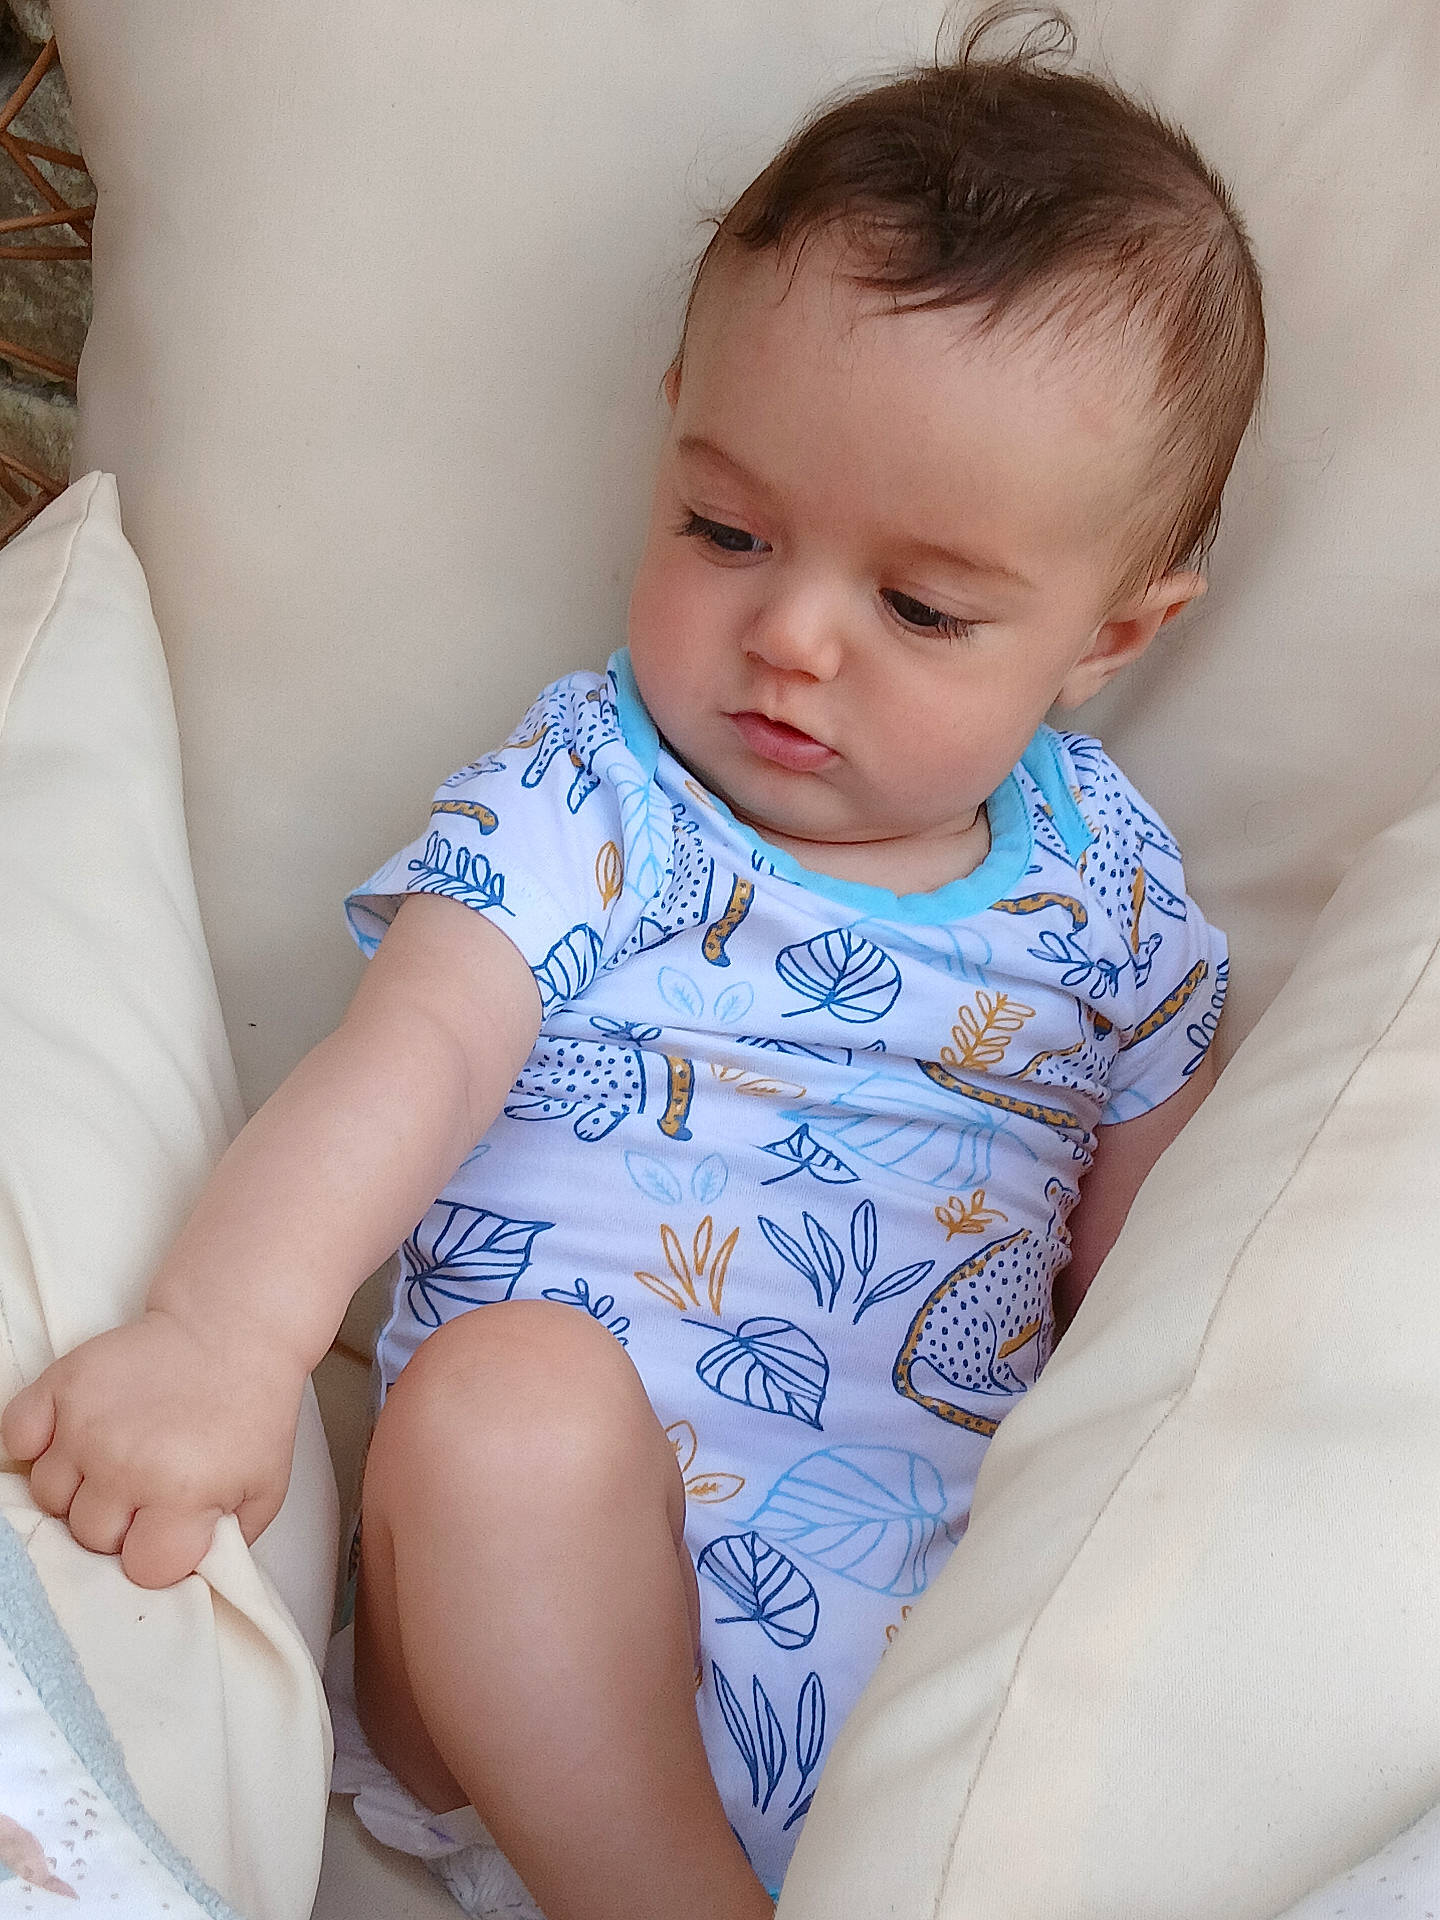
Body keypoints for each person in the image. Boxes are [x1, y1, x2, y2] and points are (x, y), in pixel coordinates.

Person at [0, 10, 1264, 1918]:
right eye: (724, 527)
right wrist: (224, 1341)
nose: (793, 640)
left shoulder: (1115, 895)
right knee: (512, 1403)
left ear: (1113, 633)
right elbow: (405, 1065)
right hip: (522, 1624)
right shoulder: (597, 801)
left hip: (918, 1628)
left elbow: (1175, 1281)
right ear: (670, 423)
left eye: (921, 605)